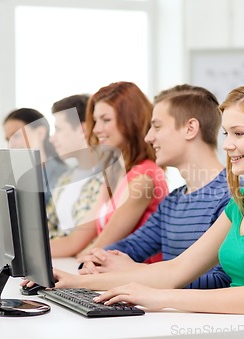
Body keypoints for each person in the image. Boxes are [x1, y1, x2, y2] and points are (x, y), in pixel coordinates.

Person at [52, 81, 244, 339]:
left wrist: (162, 297)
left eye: (239, 133)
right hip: (235, 329)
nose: (227, 145)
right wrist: (76, 282)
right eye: (227, 133)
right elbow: (177, 269)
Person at [76, 84, 231, 290]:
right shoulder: (173, 201)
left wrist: (134, 272)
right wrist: (96, 260)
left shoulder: (231, 198)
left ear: (190, 128)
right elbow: (131, 246)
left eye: (157, 126)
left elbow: (221, 282)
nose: (148, 137)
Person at [49, 81, 169, 258]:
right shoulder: (114, 173)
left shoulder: (143, 178)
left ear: (131, 120)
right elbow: (77, 241)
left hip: (134, 280)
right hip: (111, 276)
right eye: (96, 121)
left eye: (106, 120)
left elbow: (101, 247)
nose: (96, 129)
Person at [0, 108, 67, 255]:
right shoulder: (13, 178)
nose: (12, 144)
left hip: (49, 256)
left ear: (40, 133)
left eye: (16, 136)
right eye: (8, 139)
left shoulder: (63, 177)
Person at [46, 94, 104, 238]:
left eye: (58, 129)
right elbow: (46, 228)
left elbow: (82, 241)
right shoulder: (65, 179)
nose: (52, 139)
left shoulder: (105, 180)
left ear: (82, 130)